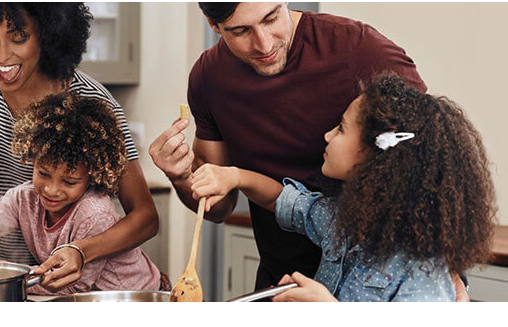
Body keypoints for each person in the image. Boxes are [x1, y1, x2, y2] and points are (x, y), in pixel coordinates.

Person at [150, 2, 430, 291]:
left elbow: (436, 156)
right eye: (241, 30)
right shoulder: (208, 78)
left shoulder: (360, 49)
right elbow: (221, 206)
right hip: (282, 284)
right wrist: (182, 176)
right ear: (214, 25)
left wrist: (448, 273)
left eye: (271, 18)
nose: (264, 44)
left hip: (380, 282)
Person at [190, 74, 495, 301]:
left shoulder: (421, 267)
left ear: (374, 157)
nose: (326, 136)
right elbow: (286, 200)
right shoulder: (340, 221)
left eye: (341, 128)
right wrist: (235, 177)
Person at [0, 3, 158, 292]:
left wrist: (82, 250)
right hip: (11, 274)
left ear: (48, 33)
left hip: (77, 286)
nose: (1, 55)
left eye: (19, 37)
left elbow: (146, 218)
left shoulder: (93, 103)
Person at [0, 93, 163, 294]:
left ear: (92, 176)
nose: (51, 190)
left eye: (69, 181)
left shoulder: (94, 213)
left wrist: (3, 278)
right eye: (43, 173)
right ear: (32, 161)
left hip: (135, 296)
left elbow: (74, 286)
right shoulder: (24, 199)